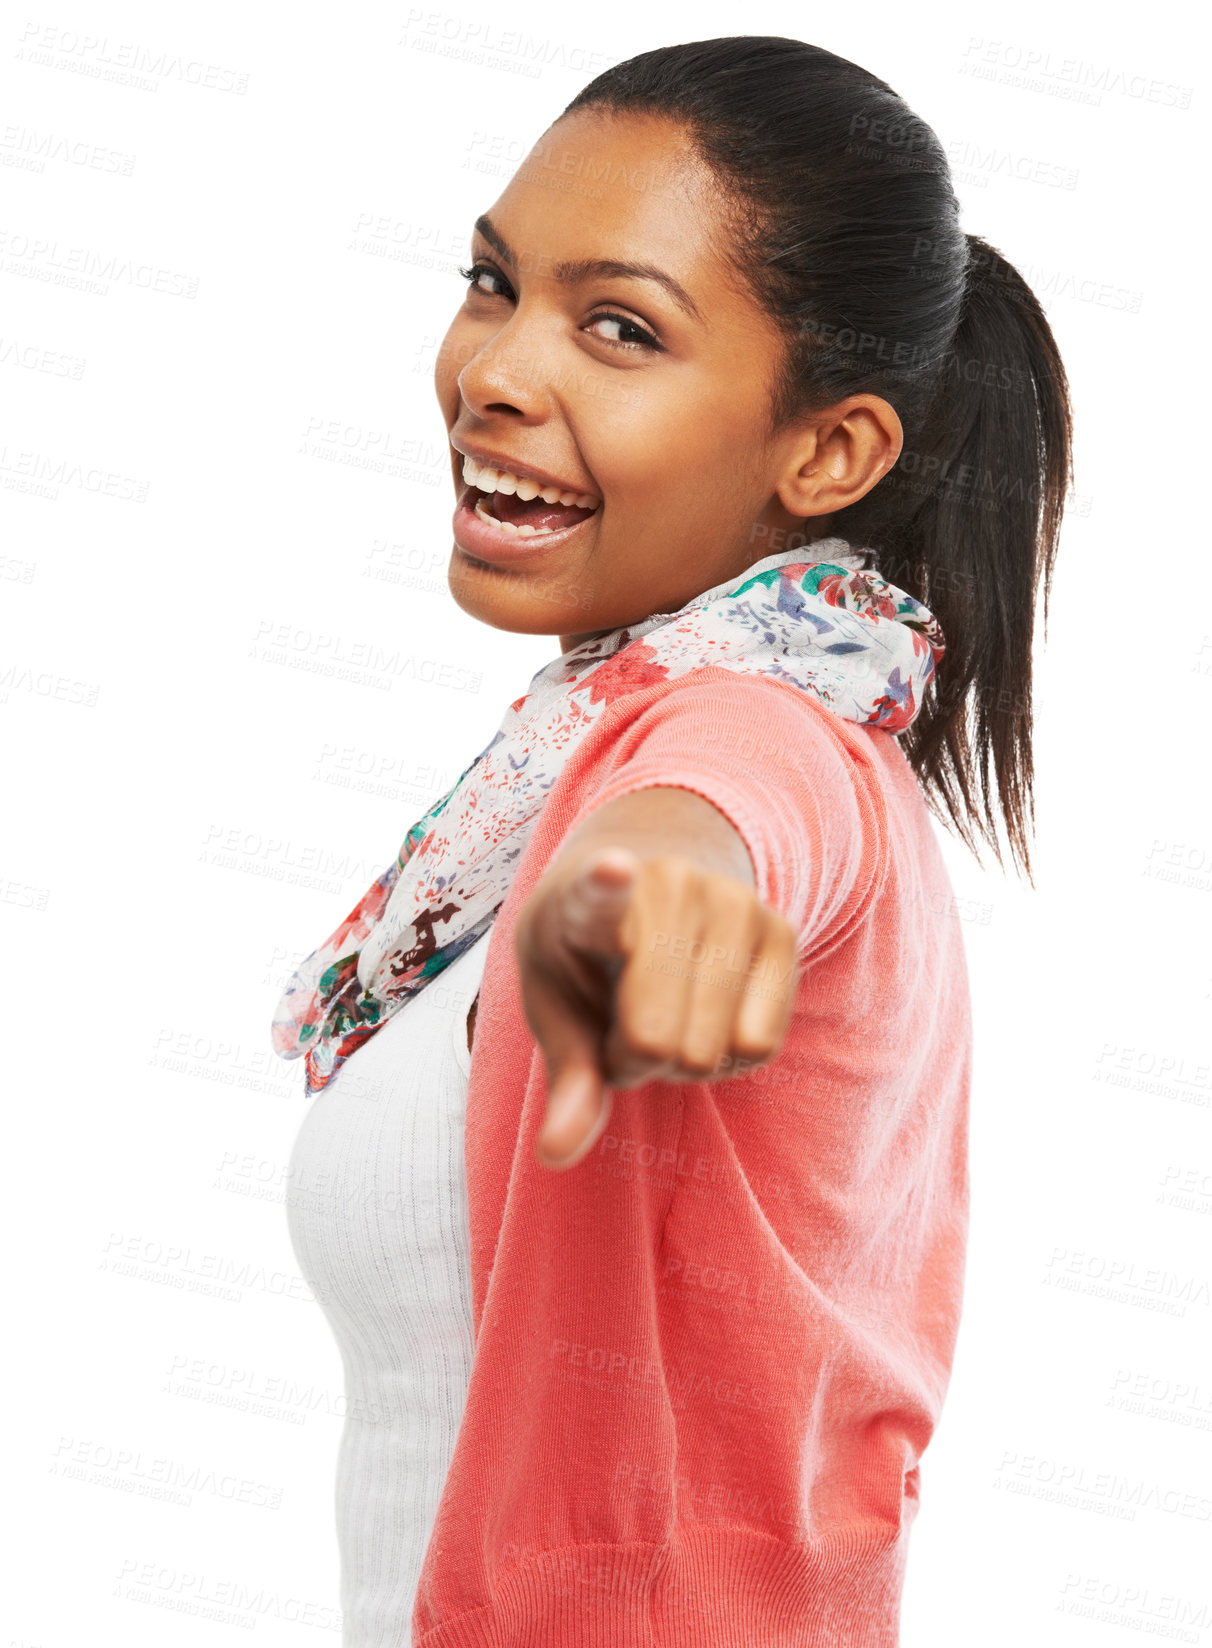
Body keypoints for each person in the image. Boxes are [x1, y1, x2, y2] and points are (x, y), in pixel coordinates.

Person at [273, 35, 1071, 1648]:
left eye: (620, 327)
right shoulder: (599, 736)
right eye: (495, 284)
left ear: (827, 454)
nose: (495, 370)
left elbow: (723, 818)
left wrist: (654, 890)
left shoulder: (758, 731)